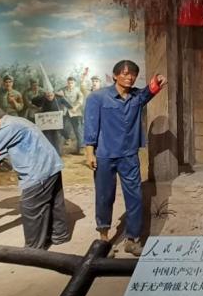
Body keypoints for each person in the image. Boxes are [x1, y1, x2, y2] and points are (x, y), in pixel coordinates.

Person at [83, 60, 167, 256]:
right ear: (115, 76)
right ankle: (104, 240)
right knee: (104, 197)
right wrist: (89, 152)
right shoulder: (97, 97)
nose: (129, 77)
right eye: (125, 73)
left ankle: (132, 240)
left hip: (129, 155)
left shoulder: (136, 97)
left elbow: (149, 91)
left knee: (135, 197)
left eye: (133, 74)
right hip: (105, 155)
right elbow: (90, 126)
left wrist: (157, 80)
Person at [0, 103, 70, 249]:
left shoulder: (9, 127)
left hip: (38, 172)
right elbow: (2, 151)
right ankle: (59, 236)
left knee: (31, 208)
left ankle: (33, 251)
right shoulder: (15, 121)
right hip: (51, 167)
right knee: (54, 202)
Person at [32, 90, 70, 157]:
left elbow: (68, 105)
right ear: (45, 95)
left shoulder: (59, 98)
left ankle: (57, 154)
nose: (49, 97)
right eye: (48, 96)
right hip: (45, 124)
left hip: (56, 123)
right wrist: (42, 95)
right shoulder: (42, 99)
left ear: (54, 94)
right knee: (47, 138)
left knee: (56, 138)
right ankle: (49, 154)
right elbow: (33, 101)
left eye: (51, 95)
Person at [58, 76, 84, 154]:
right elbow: (55, 93)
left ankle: (81, 148)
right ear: (67, 83)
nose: (70, 84)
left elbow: (80, 100)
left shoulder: (77, 90)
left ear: (74, 83)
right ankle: (62, 145)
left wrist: (76, 107)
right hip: (64, 112)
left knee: (78, 130)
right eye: (69, 83)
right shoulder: (63, 89)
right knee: (60, 127)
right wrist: (58, 94)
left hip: (74, 112)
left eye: (72, 83)